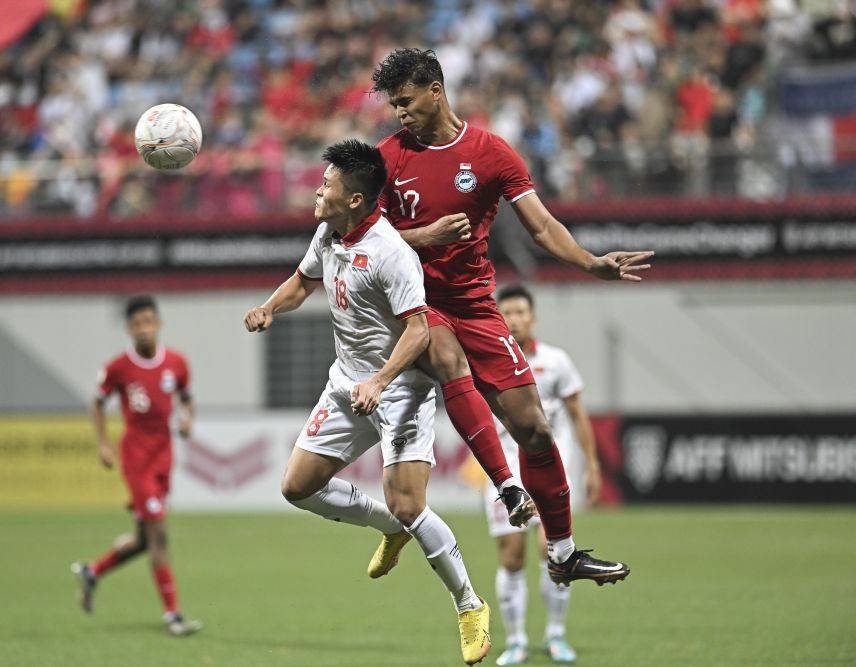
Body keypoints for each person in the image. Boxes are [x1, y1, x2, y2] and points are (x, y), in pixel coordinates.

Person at [372, 48, 649, 584]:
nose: (399, 113)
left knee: (537, 431)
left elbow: (542, 227)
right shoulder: (386, 158)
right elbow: (361, 240)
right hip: (414, 308)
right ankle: (505, 485)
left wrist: (592, 264)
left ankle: (564, 553)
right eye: (393, 105)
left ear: (436, 90)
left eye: (405, 101)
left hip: (476, 308)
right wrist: (424, 237)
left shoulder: (492, 153)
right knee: (444, 355)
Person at [244, 139, 491, 665]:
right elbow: (302, 282)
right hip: (346, 384)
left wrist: (380, 380)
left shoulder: (390, 253)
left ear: (355, 198)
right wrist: (269, 308)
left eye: (327, 183)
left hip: (397, 390)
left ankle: (469, 603)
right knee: (296, 486)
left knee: (409, 504)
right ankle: (388, 530)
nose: (318, 188)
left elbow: (419, 330)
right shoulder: (328, 233)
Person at [469, 286, 602, 665]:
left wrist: (592, 465)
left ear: (533, 317)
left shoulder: (556, 361)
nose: (514, 318)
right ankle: (515, 641)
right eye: (506, 312)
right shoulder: (483, 361)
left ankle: (556, 634)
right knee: (511, 557)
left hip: (548, 468)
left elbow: (577, 414)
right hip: (506, 473)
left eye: (521, 311)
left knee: (553, 550)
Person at [71, 295, 201, 637]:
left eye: (148, 321)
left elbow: (187, 400)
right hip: (137, 459)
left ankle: (92, 572)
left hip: (164, 457)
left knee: (145, 539)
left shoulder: (176, 363)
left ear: (158, 324)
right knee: (159, 535)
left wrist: (187, 419)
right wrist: (103, 443)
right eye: (136, 324)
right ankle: (173, 615)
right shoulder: (119, 368)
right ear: (129, 329)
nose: (143, 329)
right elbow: (97, 403)